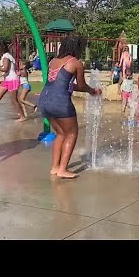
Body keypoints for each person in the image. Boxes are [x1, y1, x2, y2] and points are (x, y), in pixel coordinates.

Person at [37, 36, 102, 179]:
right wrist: (93, 91)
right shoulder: (76, 63)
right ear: (76, 48)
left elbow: (61, 83)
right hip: (60, 102)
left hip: (44, 100)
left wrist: (78, 88)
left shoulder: (53, 61)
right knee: (72, 133)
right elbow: (82, 85)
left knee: (61, 133)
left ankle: (55, 167)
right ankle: (63, 169)